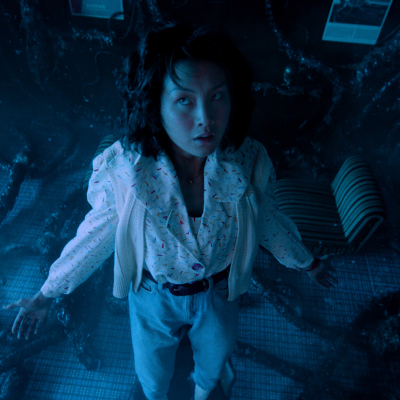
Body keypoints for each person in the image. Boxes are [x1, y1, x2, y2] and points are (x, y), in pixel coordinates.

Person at [3, 23, 337, 400]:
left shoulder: (246, 160)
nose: (206, 118)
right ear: (155, 105)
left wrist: (306, 262)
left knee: (215, 359)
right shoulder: (128, 172)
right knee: (152, 369)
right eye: (184, 101)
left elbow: (268, 220)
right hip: (153, 295)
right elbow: (93, 238)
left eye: (217, 97)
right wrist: (46, 294)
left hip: (218, 291)